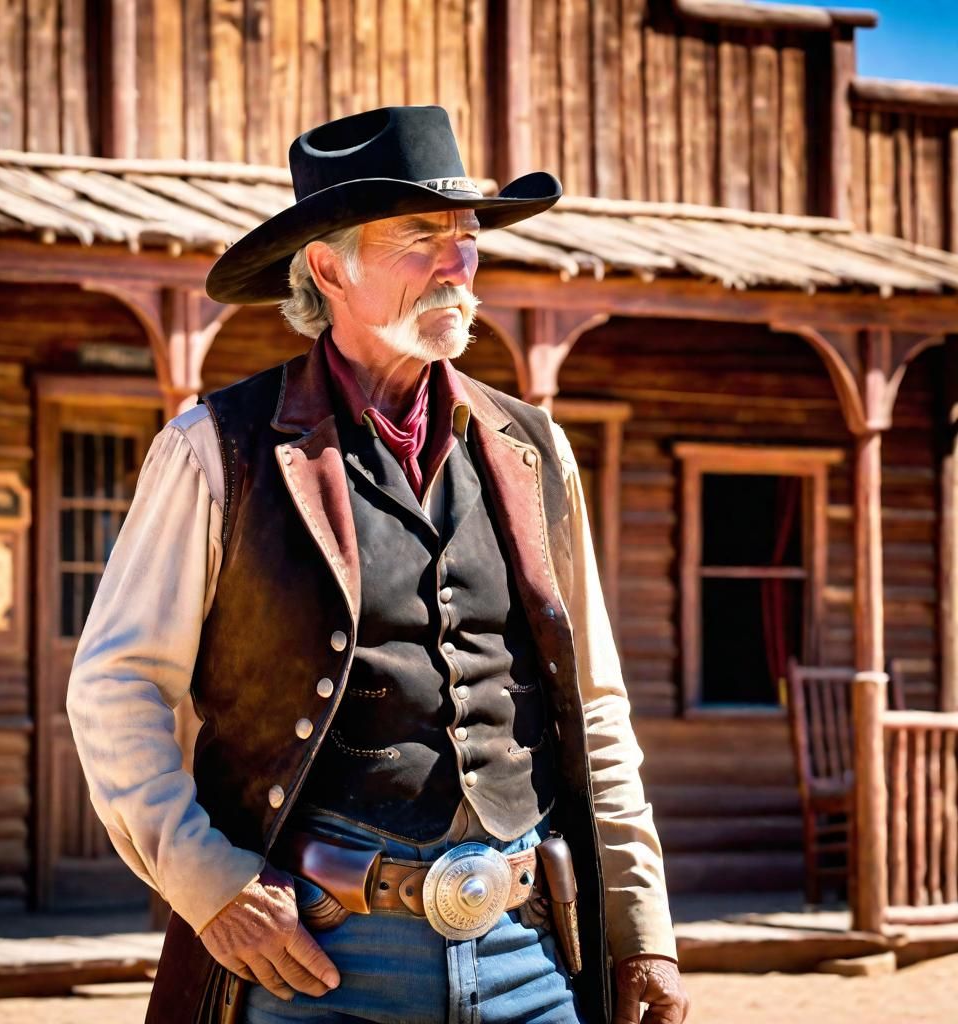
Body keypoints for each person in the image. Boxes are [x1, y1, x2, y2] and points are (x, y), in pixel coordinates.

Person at [67, 105, 689, 1024]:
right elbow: (114, 686)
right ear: (327, 266)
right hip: (318, 959)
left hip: (530, 949)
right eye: (418, 236)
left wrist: (642, 929)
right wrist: (212, 885)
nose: (455, 264)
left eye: (465, 237)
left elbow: (593, 704)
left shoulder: (533, 451)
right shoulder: (216, 450)